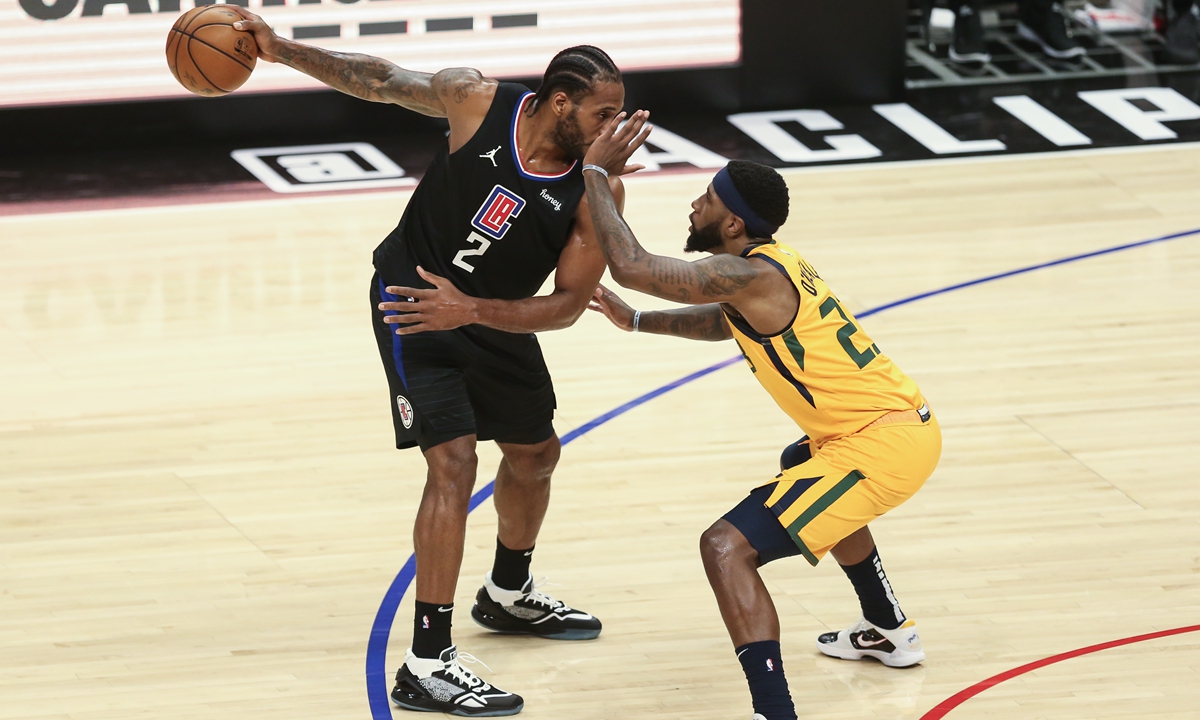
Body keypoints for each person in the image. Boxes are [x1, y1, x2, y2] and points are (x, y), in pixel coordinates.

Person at [231, 9, 626, 717]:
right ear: (560, 104)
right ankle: (426, 659)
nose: (615, 128)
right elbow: (379, 79)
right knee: (454, 464)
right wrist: (278, 49)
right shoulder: (476, 102)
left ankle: (507, 594)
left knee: (536, 455)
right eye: (604, 113)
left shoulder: (596, 189)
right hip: (413, 305)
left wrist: (473, 310)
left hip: (491, 315)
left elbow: (567, 305)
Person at [579, 114, 943, 720]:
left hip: (883, 446)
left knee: (725, 547)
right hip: (885, 428)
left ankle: (774, 712)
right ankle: (887, 628)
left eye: (707, 198)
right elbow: (726, 324)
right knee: (799, 464)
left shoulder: (744, 271)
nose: (695, 204)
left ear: (732, 223)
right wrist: (638, 321)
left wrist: (595, 172)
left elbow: (635, 268)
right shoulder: (768, 268)